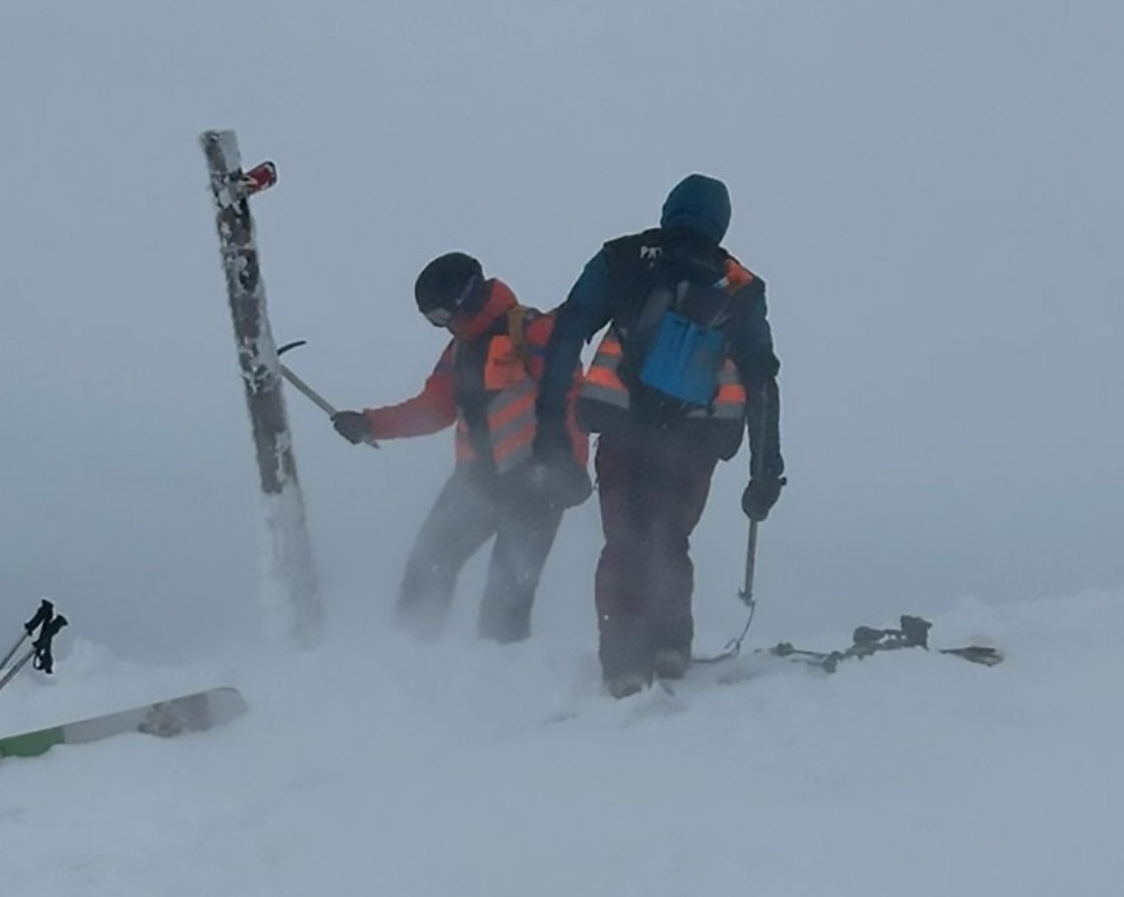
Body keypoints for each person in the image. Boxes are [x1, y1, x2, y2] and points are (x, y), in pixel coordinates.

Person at [533, 174, 785, 697]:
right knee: (670, 535)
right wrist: (766, 467)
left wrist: (551, 421)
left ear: (670, 210)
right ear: (721, 223)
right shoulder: (740, 284)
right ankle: (671, 645)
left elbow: (568, 332)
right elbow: (761, 379)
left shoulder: (622, 258)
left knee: (624, 539)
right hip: (696, 436)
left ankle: (624, 659)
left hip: (624, 423)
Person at [330, 252, 591, 644]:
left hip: (534, 483)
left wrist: (569, 465)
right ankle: (406, 655)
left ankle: (500, 678)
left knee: (508, 591)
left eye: (440, 315)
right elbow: (435, 408)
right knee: (429, 564)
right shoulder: (459, 350)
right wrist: (370, 424)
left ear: (465, 298)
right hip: (475, 482)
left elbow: (570, 401)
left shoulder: (534, 333)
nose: (441, 327)